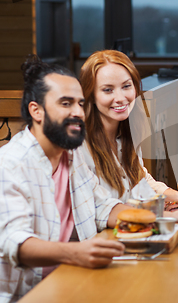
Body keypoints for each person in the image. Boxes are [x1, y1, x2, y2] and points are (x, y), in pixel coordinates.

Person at [0, 55, 128, 302]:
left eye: (80, 104)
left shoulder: (71, 152)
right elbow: (16, 243)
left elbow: (101, 206)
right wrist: (76, 253)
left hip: (70, 282)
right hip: (23, 296)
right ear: (36, 111)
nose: (78, 112)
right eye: (66, 103)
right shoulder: (10, 164)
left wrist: (162, 219)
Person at [79, 50, 178, 231]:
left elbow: (142, 179)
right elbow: (101, 208)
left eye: (126, 86)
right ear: (90, 95)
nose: (120, 98)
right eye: (108, 90)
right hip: (96, 244)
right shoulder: (79, 145)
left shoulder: (126, 134)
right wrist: (172, 216)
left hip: (126, 238)